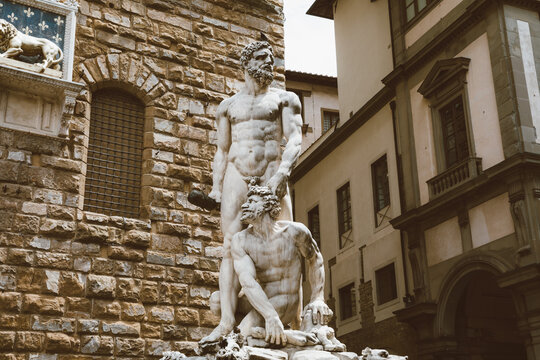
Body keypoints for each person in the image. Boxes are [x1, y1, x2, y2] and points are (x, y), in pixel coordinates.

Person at [200, 40, 303, 343]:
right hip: (237, 176)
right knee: (231, 245)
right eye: (261, 57)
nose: (269, 63)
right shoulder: (228, 106)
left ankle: (292, 321)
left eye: (271, 58)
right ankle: (226, 321)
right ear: (246, 63)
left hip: (272, 173)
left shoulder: (285, 99)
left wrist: (284, 172)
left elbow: (295, 138)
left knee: (286, 241)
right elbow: (221, 150)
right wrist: (216, 187)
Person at [230, 184, 332, 345]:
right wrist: (270, 315)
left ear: (267, 205)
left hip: (284, 300)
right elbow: (247, 282)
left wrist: (317, 297)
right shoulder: (240, 240)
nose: (244, 205)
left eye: (251, 201)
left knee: (240, 337)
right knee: (216, 301)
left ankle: (274, 333)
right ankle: (282, 334)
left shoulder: (294, 232)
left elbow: (315, 259)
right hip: (262, 298)